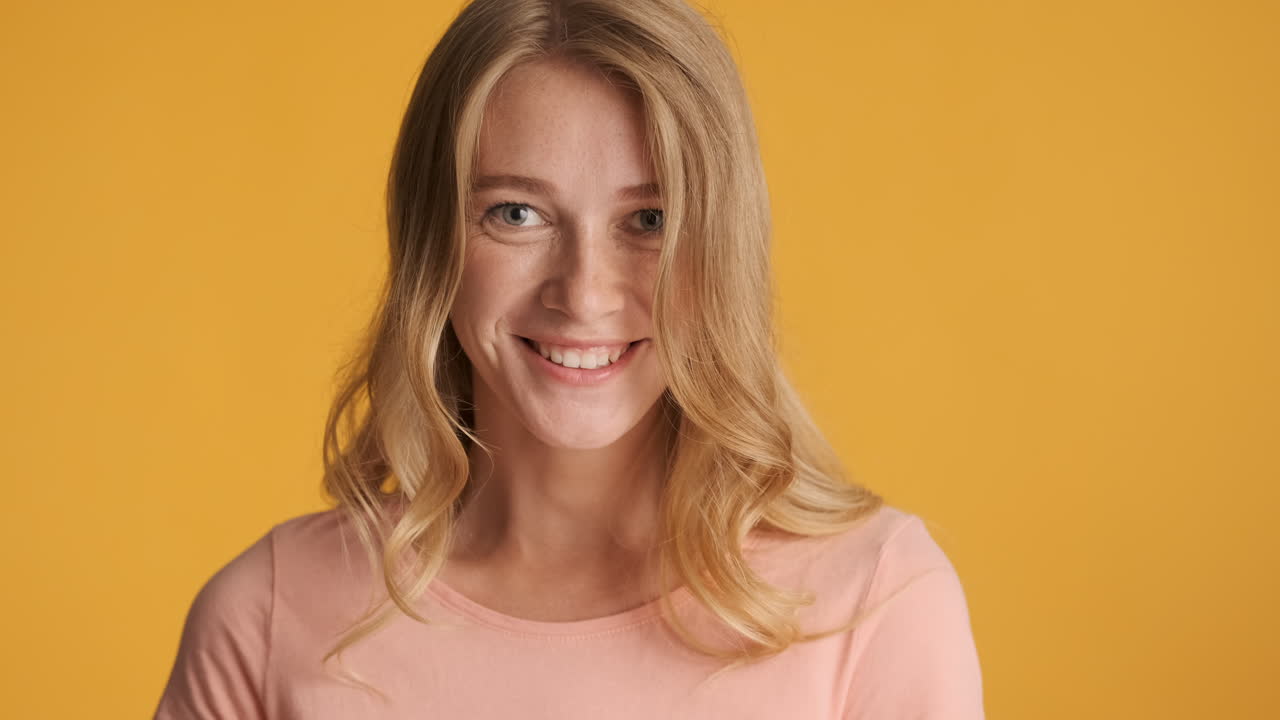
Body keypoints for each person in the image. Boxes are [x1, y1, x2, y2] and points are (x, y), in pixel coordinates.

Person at [153, 0, 985, 718]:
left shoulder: (875, 600)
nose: (583, 293)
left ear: (725, 248)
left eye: (650, 219)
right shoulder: (268, 616)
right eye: (516, 213)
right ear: (430, 242)